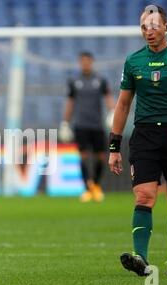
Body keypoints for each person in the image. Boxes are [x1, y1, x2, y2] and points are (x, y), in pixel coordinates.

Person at [108, 5, 167, 276]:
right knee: (144, 195)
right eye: (143, 27)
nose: (148, 32)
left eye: (153, 26)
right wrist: (114, 147)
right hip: (145, 136)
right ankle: (141, 258)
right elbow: (123, 105)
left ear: (166, 26)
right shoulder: (133, 61)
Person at [60, 52, 115, 202]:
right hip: (81, 124)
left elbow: (108, 96)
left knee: (101, 156)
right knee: (83, 156)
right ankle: (87, 189)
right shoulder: (74, 81)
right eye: (82, 61)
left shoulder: (100, 80)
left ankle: (96, 185)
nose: (85, 64)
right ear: (80, 63)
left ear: (91, 62)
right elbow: (70, 102)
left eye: (87, 61)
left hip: (97, 124)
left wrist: (112, 112)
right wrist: (65, 122)